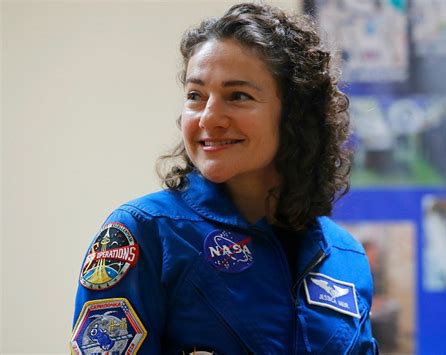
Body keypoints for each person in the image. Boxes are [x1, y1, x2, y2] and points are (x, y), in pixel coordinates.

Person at [70, 3, 378, 354]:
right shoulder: (144, 233)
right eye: (195, 96)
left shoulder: (345, 255)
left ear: (295, 114)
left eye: (238, 96)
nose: (209, 118)